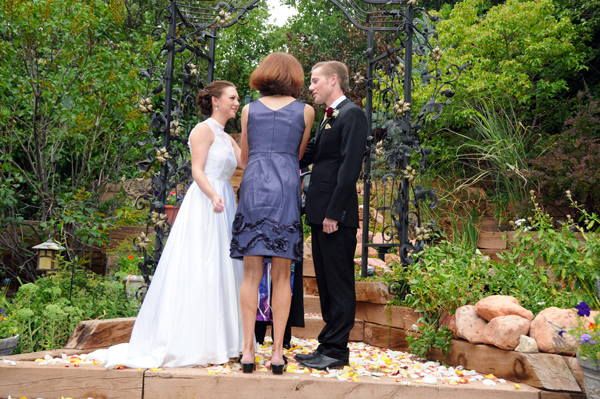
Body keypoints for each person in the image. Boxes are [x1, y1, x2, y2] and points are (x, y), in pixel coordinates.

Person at [89, 81, 245, 369]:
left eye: (237, 99)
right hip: (207, 202)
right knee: (203, 266)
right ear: (215, 101)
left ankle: (222, 341)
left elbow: (245, 162)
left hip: (226, 203)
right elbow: (196, 169)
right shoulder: (203, 130)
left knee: (223, 268)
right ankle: (192, 340)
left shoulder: (227, 136)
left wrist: (247, 127)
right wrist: (213, 195)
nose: (237, 102)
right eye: (232, 98)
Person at [230, 52, 314, 374]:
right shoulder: (306, 111)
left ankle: (249, 351)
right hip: (285, 188)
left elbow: (247, 154)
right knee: (282, 275)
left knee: (251, 274)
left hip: (254, 187)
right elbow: (299, 153)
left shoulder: (249, 110)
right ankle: (277, 353)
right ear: (294, 76)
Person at [295, 61, 368, 370]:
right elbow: (311, 154)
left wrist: (334, 213)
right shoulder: (328, 118)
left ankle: (337, 352)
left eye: (315, 80)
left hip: (335, 216)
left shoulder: (352, 114)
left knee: (338, 283)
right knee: (325, 282)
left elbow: (350, 168)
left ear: (333, 80)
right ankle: (327, 344)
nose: (311, 86)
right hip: (320, 212)